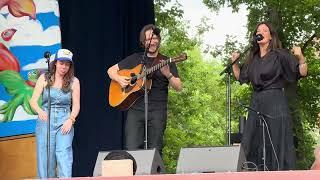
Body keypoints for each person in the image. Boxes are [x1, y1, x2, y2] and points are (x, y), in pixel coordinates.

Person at [231, 22, 307, 170]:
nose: (260, 32)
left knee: (276, 140)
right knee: (251, 139)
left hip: (275, 102)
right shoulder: (252, 58)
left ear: (271, 36)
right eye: (258, 31)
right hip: (256, 102)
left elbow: (301, 72)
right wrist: (234, 63)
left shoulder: (280, 55)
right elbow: (241, 77)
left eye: (264, 30)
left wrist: (301, 58)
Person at [107, 24, 182, 155]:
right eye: (148, 39)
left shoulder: (166, 61)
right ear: (143, 42)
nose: (152, 42)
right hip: (136, 109)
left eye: (154, 39)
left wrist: (168, 74)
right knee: (131, 149)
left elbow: (178, 87)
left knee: (155, 150)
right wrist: (120, 79)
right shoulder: (136, 58)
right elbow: (111, 71)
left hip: (158, 110)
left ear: (158, 40)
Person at [29, 49, 80, 178]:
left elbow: (76, 105)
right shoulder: (44, 78)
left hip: (64, 121)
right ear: (55, 63)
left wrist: (71, 119)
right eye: (62, 63)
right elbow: (33, 101)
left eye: (67, 64)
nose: (64, 67)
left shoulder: (74, 81)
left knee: (64, 155)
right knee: (46, 157)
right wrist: (40, 111)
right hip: (46, 121)